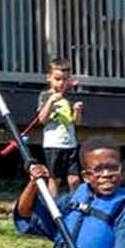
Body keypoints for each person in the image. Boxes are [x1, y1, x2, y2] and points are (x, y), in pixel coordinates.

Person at [34, 56, 83, 195]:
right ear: (49, 77)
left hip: (71, 144)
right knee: (55, 179)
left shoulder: (70, 96)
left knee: (74, 179)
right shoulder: (45, 95)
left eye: (65, 79)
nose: (62, 83)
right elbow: (42, 120)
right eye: (58, 79)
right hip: (53, 145)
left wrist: (78, 112)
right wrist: (50, 102)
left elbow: (77, 122)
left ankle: (76, 208)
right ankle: (53, 210)